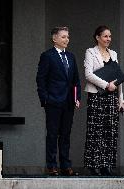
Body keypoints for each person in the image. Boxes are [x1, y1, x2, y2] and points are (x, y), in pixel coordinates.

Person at [36, 26, 81, 176]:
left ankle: (65, 165)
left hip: (69, 102)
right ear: (54, 38)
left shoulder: (71, 57)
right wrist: (45, 99)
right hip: (53, 101)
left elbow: (76, 80)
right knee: (52, 134)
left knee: (66, 135)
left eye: (67, 37)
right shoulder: (47, 56)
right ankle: (51, 165)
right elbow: (41, 79)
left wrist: (77, 98)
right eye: (63, 37)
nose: (66, 39)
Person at [83, 25, 124, 176]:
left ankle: (107, 165)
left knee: (110, 131)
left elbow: (118, 77)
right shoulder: (90, 52)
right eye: (105, 36)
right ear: (97, 37)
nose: (108, 39)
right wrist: (106, 85)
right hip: (97, 96)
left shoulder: (113, 54)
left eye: (110, 36)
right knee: (96, 131)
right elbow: (88, 74)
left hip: (112, 97)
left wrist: (121, 99)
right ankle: (94, 164)